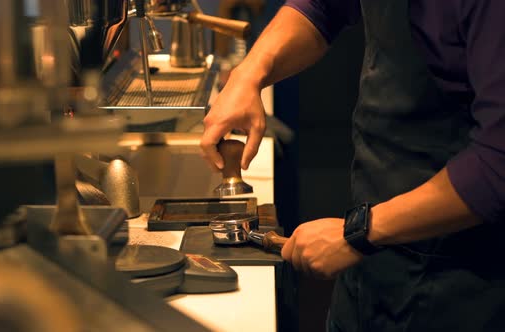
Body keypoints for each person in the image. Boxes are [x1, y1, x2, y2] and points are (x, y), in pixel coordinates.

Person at [200, 0, 505, 331]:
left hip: (458, 284)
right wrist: (249, 74)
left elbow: (497, 164)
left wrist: (360, 232)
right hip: (370, 261)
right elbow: (324, 7)